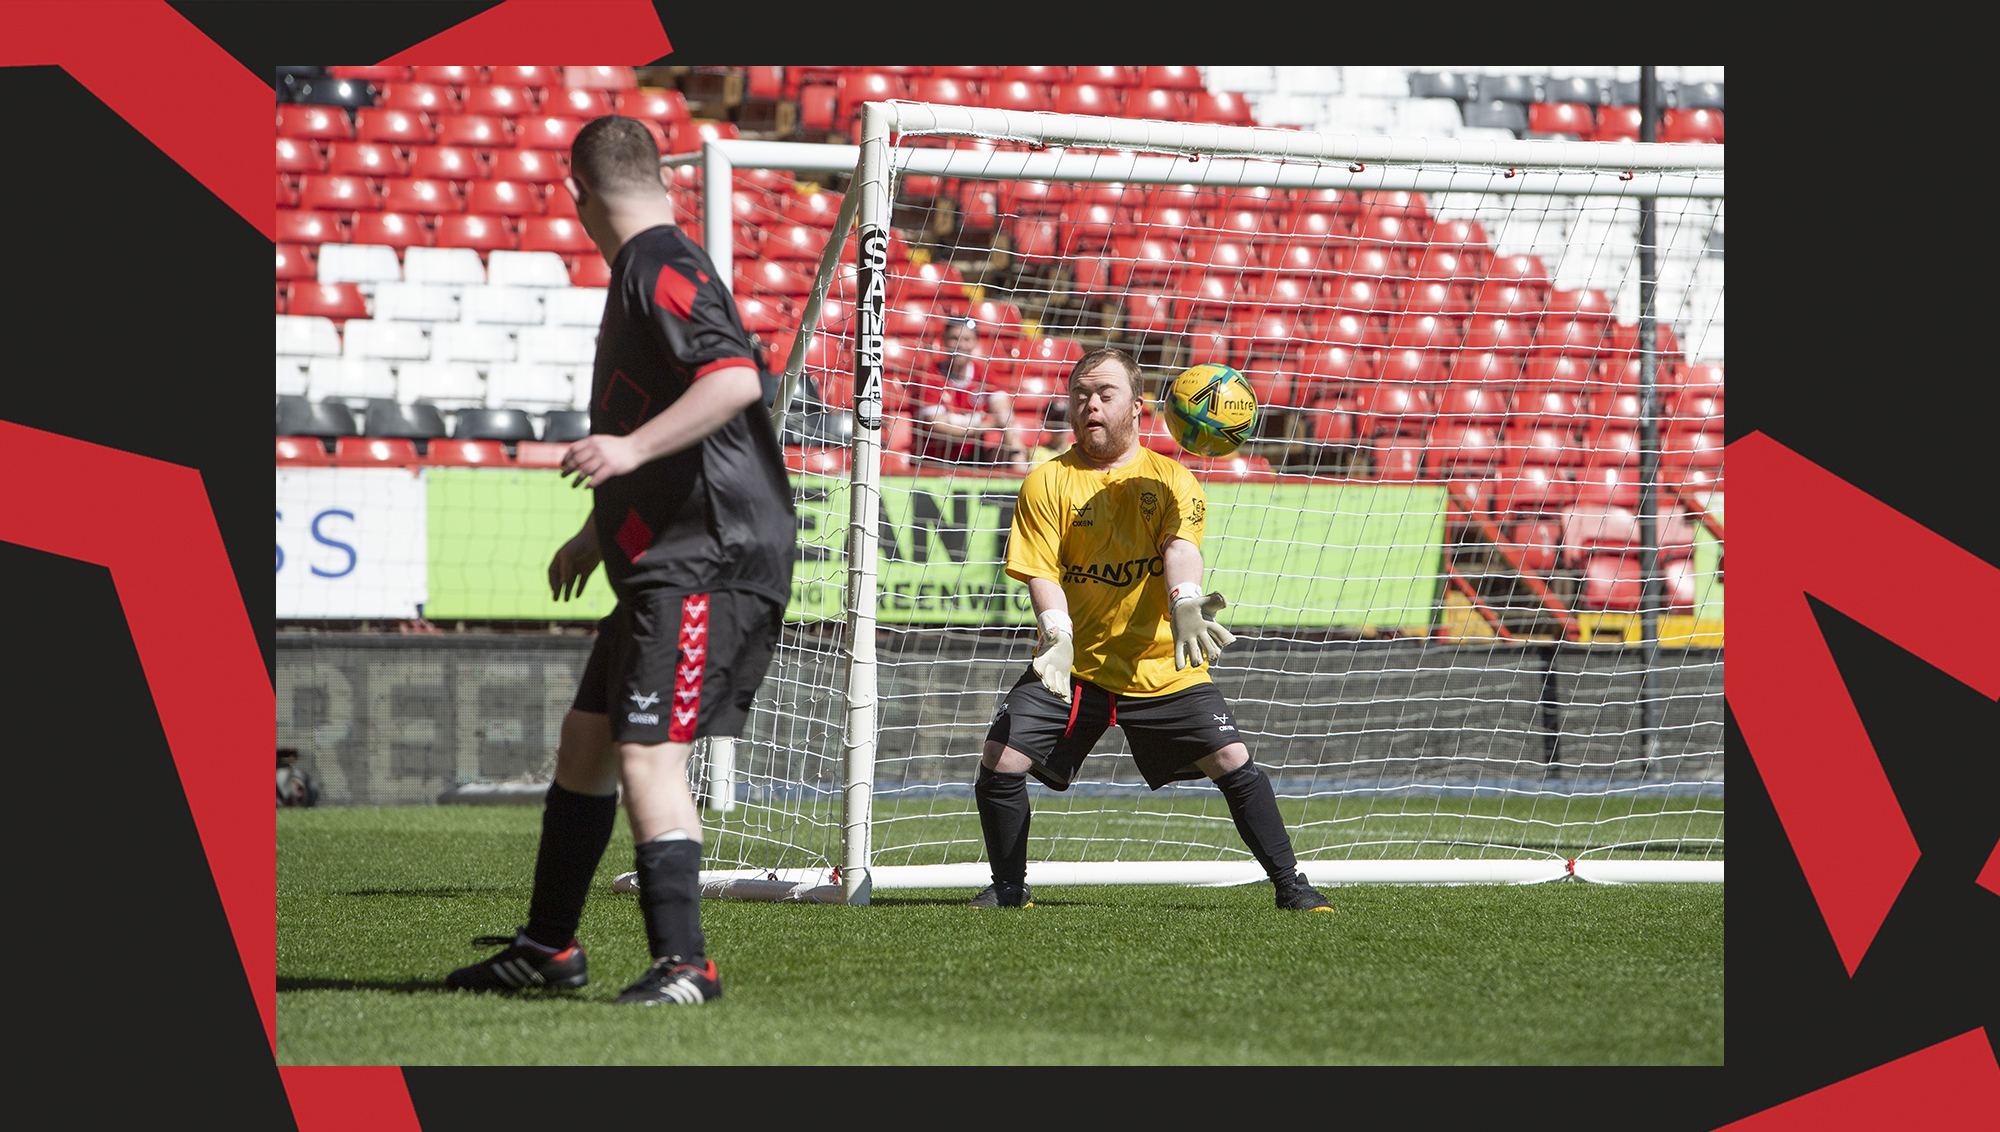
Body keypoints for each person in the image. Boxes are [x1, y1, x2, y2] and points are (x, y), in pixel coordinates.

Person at [445, 116, 795, 1006]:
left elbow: (734, 378)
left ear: (577, 193)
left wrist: (628, 451)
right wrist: (597, 532)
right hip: (664, 558)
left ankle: (686, 965)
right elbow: (675, 418)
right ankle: (548, 948)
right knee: (587, 743)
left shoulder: (657, 262)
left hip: (706, 561)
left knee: (647, 753)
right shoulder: (643, 267)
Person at [971, 347, 1332, 913]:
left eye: (1104, 394)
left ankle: (1292, 887)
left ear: (1137, 407)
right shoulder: (1046, 482)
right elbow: (1041, 572)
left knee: (1233, 761)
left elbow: (1180, 548)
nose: (1090, 404)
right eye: (1080, 394)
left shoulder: (1172, 479)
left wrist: (1184, 599)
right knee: (1000, 760)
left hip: (1162, 662)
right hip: (1076, 665)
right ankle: (1010, 890)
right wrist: (1057, 633)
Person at [913, 316, 1027, 471]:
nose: (960, 345)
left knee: (1009, 430)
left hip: (975, 457)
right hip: (936, 461)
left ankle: (1022, 474)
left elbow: (1002, 410)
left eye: (967, 339)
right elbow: (937, 425)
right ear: (943, 340)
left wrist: (1000, 418)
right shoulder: (929, 376)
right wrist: (988, 424)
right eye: (954, 339)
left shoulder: (984, 374)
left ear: (975, 343)